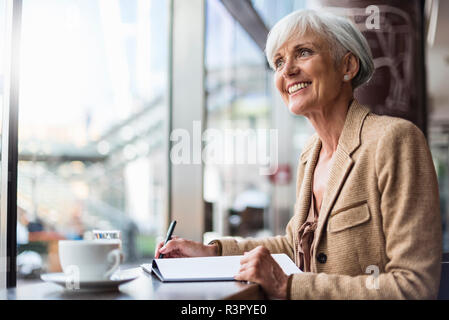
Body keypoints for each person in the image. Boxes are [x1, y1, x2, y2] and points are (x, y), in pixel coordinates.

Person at [155, 9, 442, 299]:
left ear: (348, 66)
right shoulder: (310, 154)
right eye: (278, 62)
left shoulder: (394, 140)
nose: (287, 70)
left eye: (303, 52)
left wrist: (287, 286)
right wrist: (212, 251)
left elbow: (414, 285)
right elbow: (296, 246)